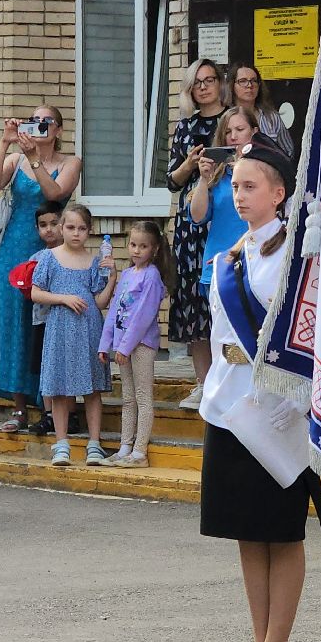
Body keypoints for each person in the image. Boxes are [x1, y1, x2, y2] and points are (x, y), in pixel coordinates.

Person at [200, 140, 314, 642]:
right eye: (235, 186)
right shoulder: (230, 257)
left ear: (279, 192)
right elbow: (223, 337)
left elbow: (310, 343)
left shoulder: (300, 260)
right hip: (231, 404)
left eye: (250, 186)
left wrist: (296, 406)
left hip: (280, 410)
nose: (239, 196)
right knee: (248, 530)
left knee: (280, 531)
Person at [0, 105, 81, 432]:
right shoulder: (16, 160)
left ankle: (51, 406)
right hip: (12, 253)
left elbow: (56, 193)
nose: (39, 126)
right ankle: (20, 407)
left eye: (46, 122)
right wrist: (5, 143)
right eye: (34, 121)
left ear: (59, 129)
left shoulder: (70, 162)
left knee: (46, 329)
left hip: (51, 251)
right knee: (14, 327)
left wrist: (36, 159)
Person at [30, 204, 115, 467]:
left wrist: (112, 276)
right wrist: (63, 298)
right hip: (59, 328)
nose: (76, 233)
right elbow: (35, 292)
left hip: (88, 328)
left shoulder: (93, 261)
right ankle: (62, 444)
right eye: (70, 227)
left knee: (92, 389)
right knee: (59, 388)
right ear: (61, 228)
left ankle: (94, 444)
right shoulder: (49, 258)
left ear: (89, 231)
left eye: (81, 229)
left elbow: (99, 302)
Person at [167, 59, 228, 409]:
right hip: (191, 222)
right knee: (193, 299)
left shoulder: (231, 121)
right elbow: (171, 181)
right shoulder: (186, 126)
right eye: (197, 83)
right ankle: (202, 381)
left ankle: (226, 377)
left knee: (221, 297)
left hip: (226, 217)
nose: (204, 87)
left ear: (220, 83)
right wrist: (189, 165)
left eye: (209, 80)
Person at [98, 220, 171, 468]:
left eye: (143, 246)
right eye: (133, 245)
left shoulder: (151, 276)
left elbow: (142, 316)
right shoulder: (128, 275)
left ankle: (140, 452)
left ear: (154, 249)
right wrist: (104, 344)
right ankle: (124, 447)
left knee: (142, 397)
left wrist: (125, 347)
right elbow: (115, 311)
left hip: (141, 346)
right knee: (128, 398)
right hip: (122, 348)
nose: (136, 250)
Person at [191, 108, 259, 301]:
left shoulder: (265, 170)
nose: (234, 136)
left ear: (254, 132)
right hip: (219, 265)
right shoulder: (217, 173)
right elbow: (196, 217)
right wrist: (204, 180)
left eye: (240, 129)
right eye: (228, 132)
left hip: (255, 263)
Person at [24, 201, 65, 437]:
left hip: (66, 323)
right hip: (42, 320)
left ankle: (69, 414)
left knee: (65, 367)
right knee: (45, 367)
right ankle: (48, 414)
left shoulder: (71, 255)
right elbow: (30, 287)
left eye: (53, 223)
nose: (48, 229)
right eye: (42, 225)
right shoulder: (37, 257)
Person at [227, 63, 296, 159]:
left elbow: (288, 151)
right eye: (242, 81)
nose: (249, 85)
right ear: (232, 85)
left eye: (254, 81)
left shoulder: (272, 118)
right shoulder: (225, 118)